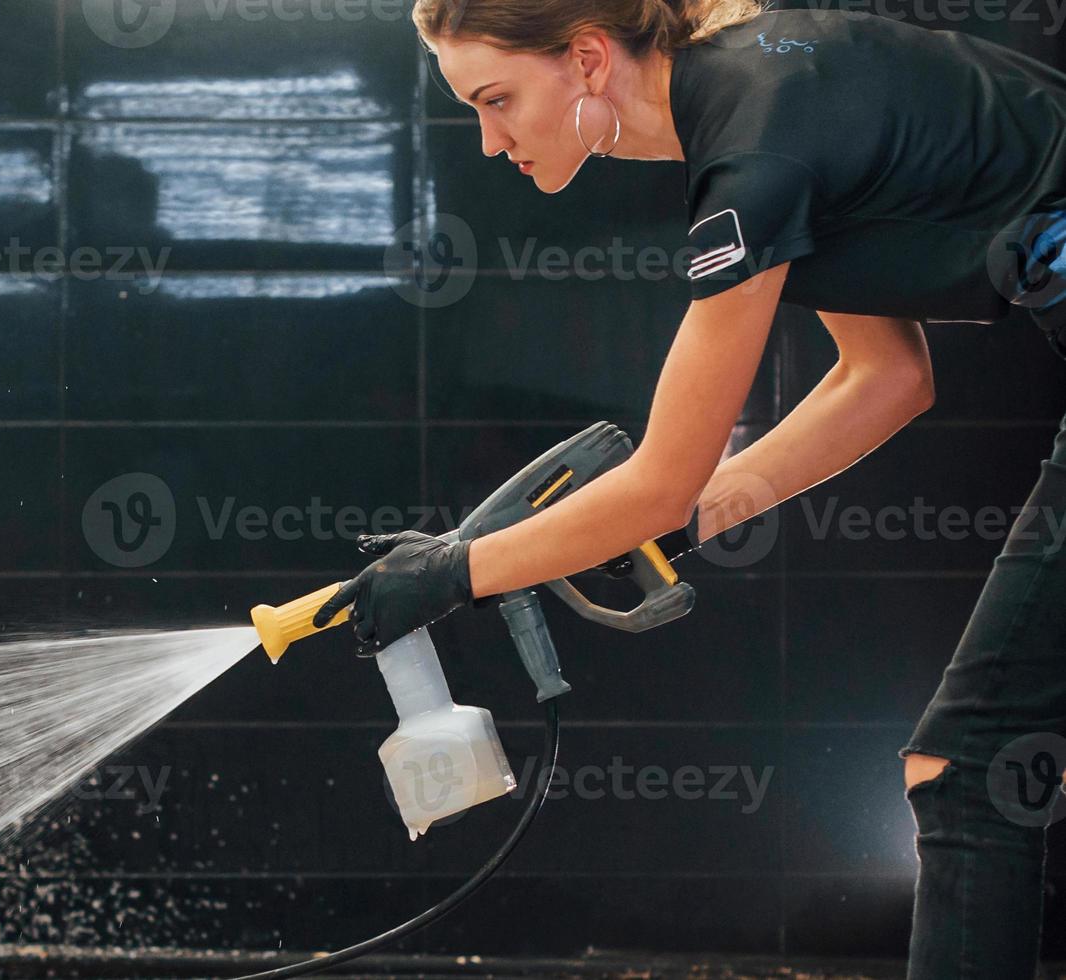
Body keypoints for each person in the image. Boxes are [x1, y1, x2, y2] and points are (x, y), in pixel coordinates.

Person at [313, 0, 1066, 974]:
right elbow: (882, 377)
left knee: (967, 769)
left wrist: (455, 570)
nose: (490, 141)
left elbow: (657, 482)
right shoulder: (756, 105)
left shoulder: (754, 144)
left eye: (495, 100)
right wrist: (695, 516)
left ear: (584, 58)